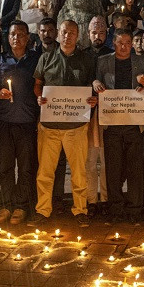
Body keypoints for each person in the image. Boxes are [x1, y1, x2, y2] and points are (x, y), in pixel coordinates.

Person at [33, 20, 94, 226]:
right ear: (58, 34)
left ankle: (80, 210)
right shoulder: (46, 58)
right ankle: (43, 210)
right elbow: (38, 84)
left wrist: (92, 99)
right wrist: (39, 97)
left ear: (78, 36)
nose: (68, 36)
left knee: (79, 172)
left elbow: (90, 87)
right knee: (45, 172)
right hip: (49, 125)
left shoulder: (86, 60)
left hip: (76, 126)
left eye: (73, 33)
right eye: (65, 32)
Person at [94, 29, 144, 223]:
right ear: (113, 43)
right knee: (113, 168)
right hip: (112, 122)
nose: (124, 47)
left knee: (136, 167)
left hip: (135, 123)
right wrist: (95, 83)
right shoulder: (103, 61)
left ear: (133, 45)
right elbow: (94, 81)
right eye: (120, 43)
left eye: (128, 43)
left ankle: (135, 209)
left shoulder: (142, 62)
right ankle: (116, 209)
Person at [0, 21, 40, 225]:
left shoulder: (36, 59)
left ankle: (21, 206)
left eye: (20, 34)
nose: (16, 38)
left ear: (28, 37)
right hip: (4, 120)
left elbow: (41, 84)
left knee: (26, 167)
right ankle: (6, 204)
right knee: (5, 166)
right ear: (7, 37)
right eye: (12, 35)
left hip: (27, 121)